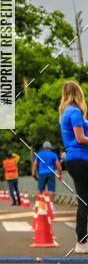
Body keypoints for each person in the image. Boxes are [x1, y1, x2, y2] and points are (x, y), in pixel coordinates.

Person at [59, 81, 88, 253]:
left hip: (75, 160)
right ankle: (82, 241)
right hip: (81, 159)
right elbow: (80, 138)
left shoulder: (65, 113)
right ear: (79, 93)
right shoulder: (75, 112)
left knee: (84, 200)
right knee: (84, 201)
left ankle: (82, 242)